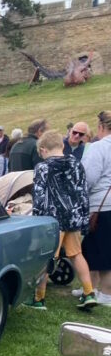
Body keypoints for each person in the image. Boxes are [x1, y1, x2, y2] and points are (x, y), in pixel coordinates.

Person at [23, 129, 95, 310]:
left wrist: (37, 221)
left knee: (47, 258)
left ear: (43, 150)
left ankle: (38, 299)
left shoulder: (43, 168)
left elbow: (39, 196)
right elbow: (83, 193)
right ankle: (89, 293)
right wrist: (84, 218)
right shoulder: (76, 164)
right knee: (76, 255)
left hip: (52, 220)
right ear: (62, 145)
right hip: (74, 217)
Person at [77, 110, 111, 305]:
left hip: (101, 205)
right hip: (105, 204)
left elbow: (88, 177)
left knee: (102, 252)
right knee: (94, 248)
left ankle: (105, 294)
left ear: (101, 127)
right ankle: (91, 287)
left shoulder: (99, 147)